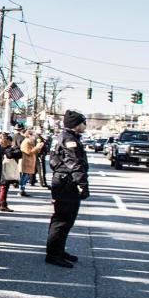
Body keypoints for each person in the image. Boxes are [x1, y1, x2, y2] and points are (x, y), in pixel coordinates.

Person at [45, 111, 90, 268]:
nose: (85, 125)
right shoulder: (69, 139)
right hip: (66, 183)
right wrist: (82, 184)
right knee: (62, 220)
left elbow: (54, 161)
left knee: (64, 219)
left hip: (63, 181)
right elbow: (74, 163)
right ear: (76, 124)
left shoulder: (63, 136)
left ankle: (58, 250)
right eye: (84, 122)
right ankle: (53, 254)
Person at [0, 132, 21, 212]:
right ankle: (2, 204)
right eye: (2, 137)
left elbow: (19, 154)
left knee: (2, 186)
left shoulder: (0, 146)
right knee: (4, 186)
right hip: (4, 168)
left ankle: (0, 204)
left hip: (2, 167)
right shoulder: (4, 148)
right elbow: (10, 155)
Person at [18, 130, 43, 196]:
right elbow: (28, 152)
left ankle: (22, 189)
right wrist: (37, 147)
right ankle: (21, 190)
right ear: (29, 135)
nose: (34, 137)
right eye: (33, 135)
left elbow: (33, 151)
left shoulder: (29, 141)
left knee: (26, 176)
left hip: (29, 161)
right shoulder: (26, 142)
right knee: (24, 176)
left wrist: (38, 148)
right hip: (26, 161)